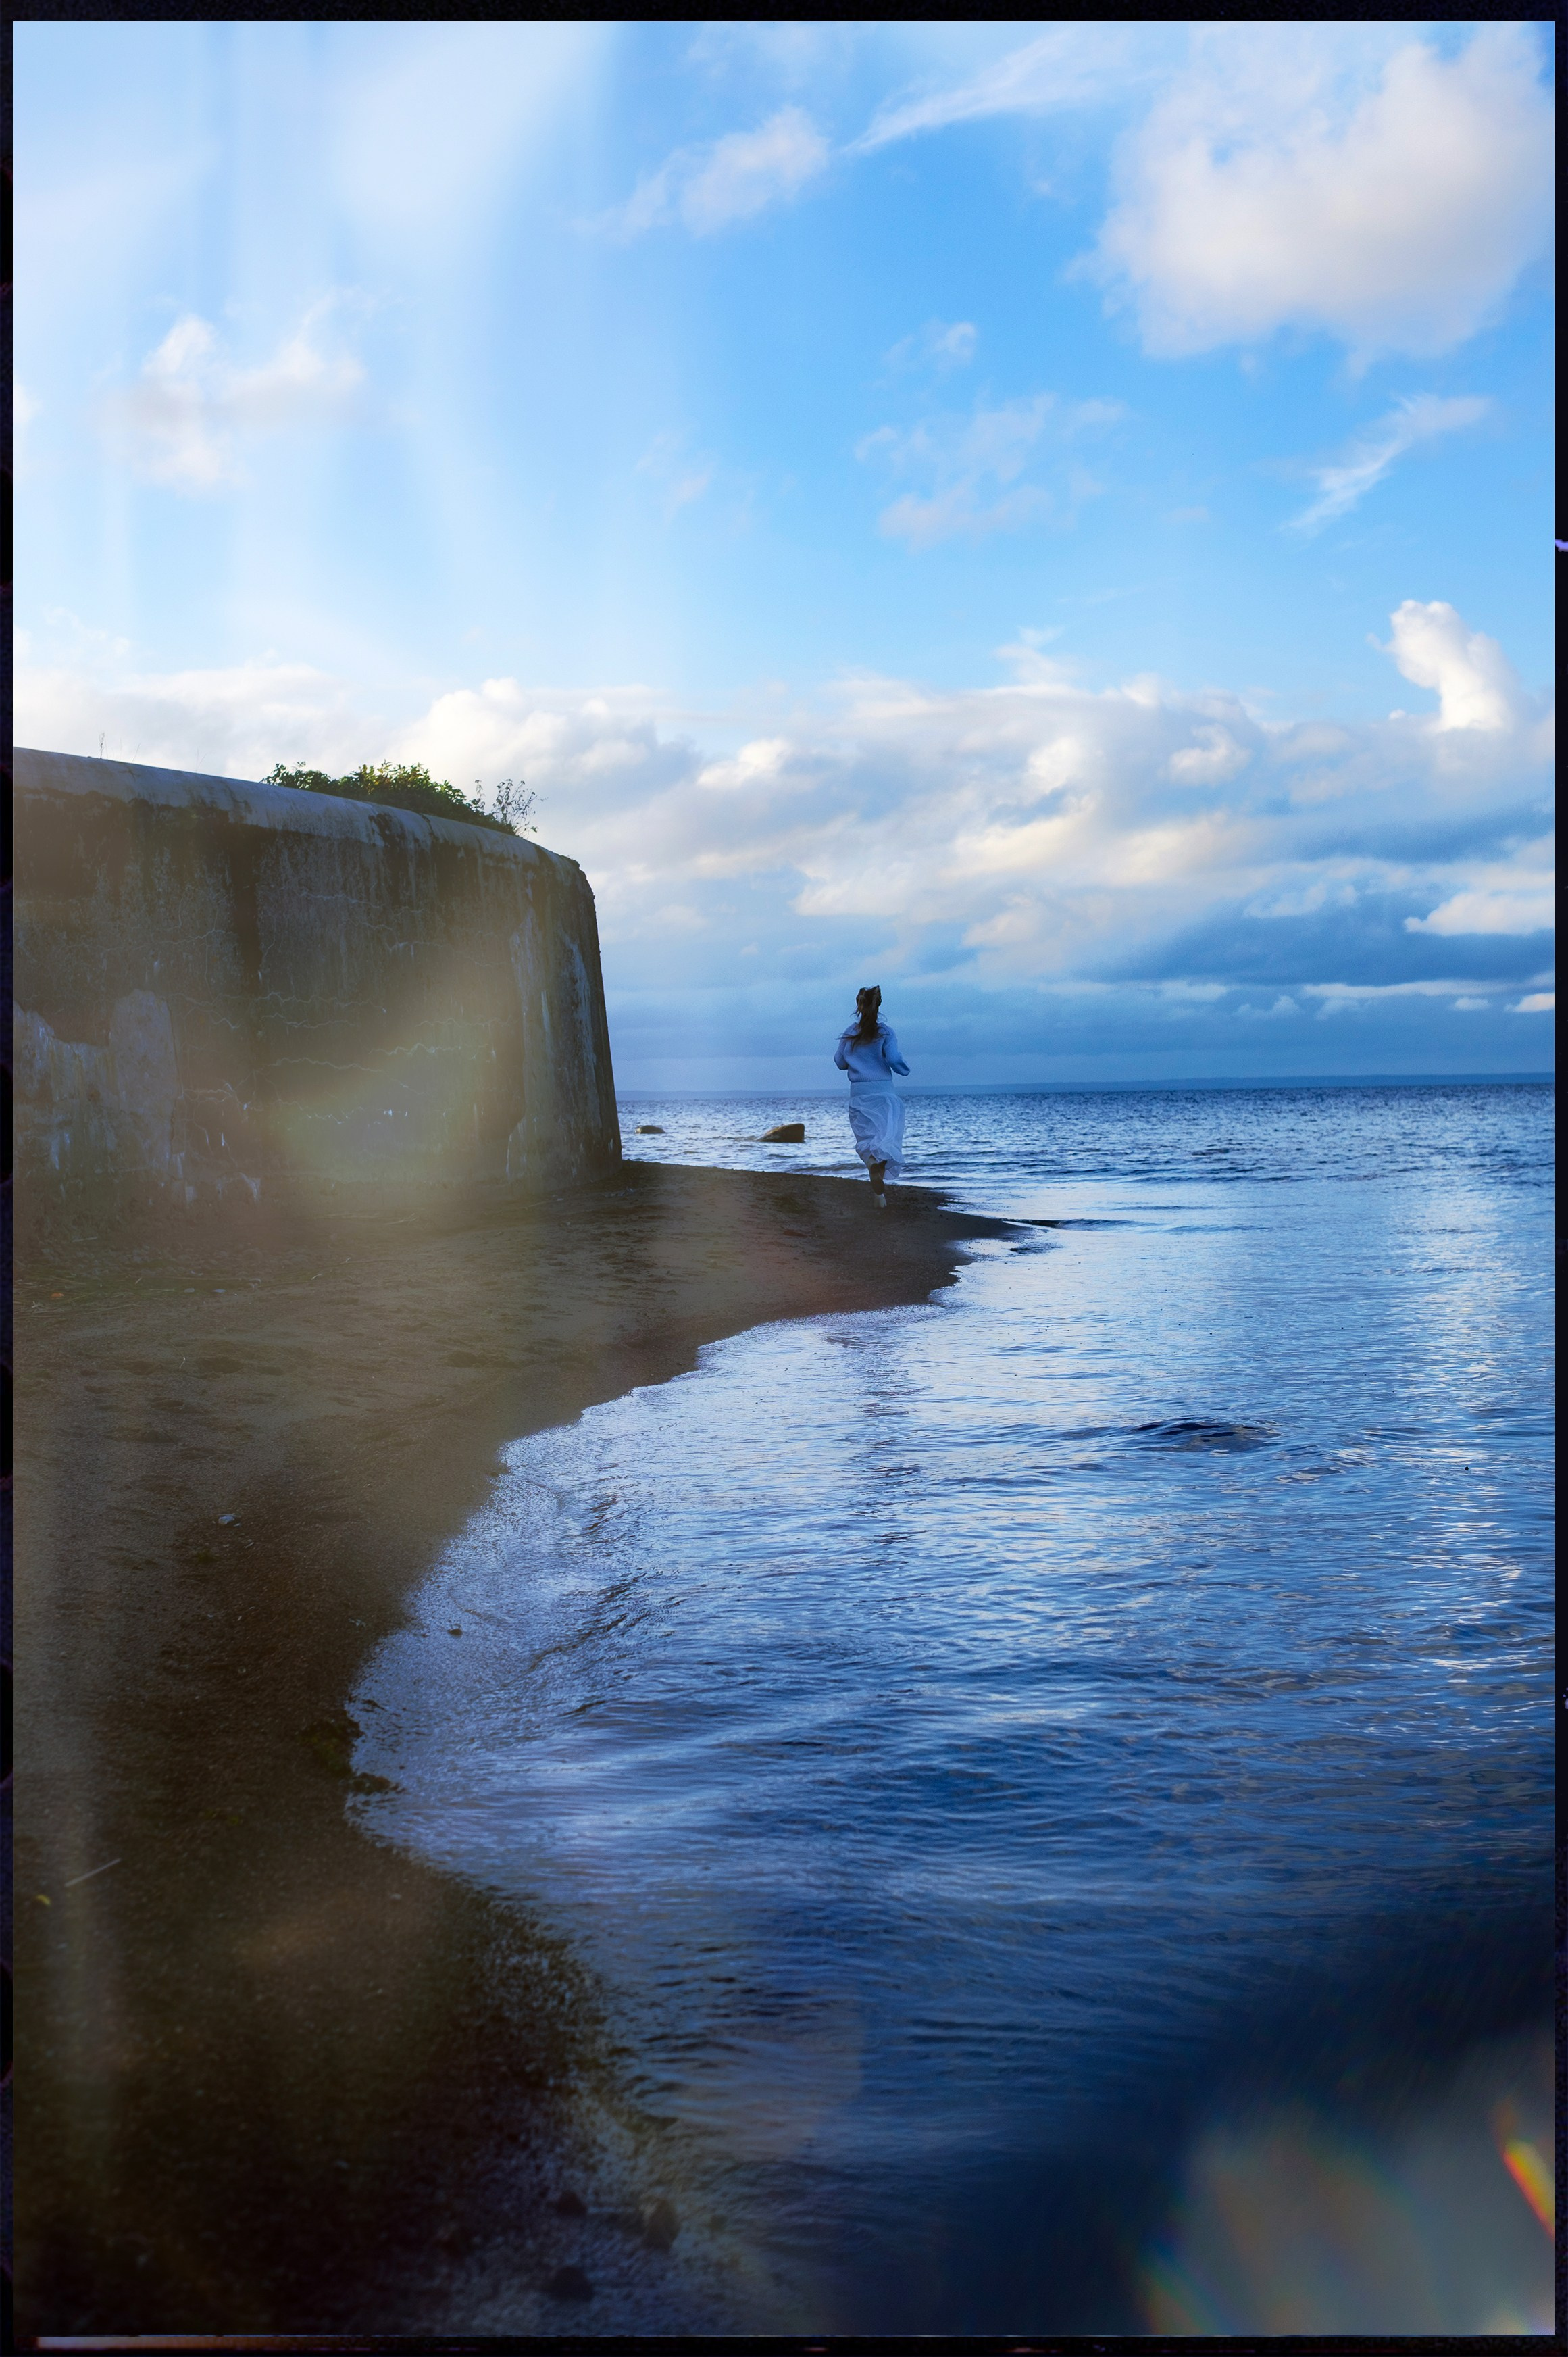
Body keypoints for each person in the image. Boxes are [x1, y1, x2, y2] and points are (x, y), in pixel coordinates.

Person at [834, 985, 909, 1208]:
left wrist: (856, 1059)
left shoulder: (849, 1033)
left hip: (859, 1095)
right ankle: (879, 1189)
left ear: (859, 1006)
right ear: (878, 1005)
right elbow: (895, 1059)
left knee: (867, 1142)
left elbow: (839, 1063)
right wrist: (904, 1069)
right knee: (886, 1140)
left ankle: (879, 1197)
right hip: (885, 1094)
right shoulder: (886, 1032)